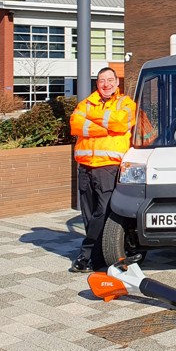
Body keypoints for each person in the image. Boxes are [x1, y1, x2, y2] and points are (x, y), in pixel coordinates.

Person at [69, 67, 136, 272]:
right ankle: (98, 260)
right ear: (96, 84)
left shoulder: (125, 103)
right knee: (88, 214)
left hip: (108, 167)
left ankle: (86, 253)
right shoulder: (86, 103)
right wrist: (106, 127)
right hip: (85, 167)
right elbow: (75, 124)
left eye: (109, 80)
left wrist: (93, 121)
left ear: (117, 82)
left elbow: (120, 122)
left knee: (103, 213)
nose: (105, 84)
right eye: (101, 81)